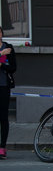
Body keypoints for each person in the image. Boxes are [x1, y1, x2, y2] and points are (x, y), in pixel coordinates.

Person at [0, 26, 16, 159]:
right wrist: (0, 55)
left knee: (3, 117)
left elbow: (13, 67)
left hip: (4, 86)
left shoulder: (8, 47)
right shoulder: (3, 51)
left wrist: (3, 65)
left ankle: (2, 147)